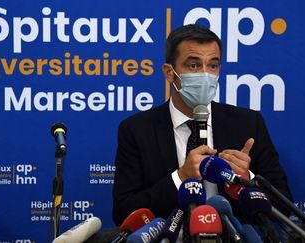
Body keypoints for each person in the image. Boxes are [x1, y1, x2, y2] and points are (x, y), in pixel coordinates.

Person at [112, 24, 292, 225]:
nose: (205, 75)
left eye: (212, 66)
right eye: (194, 65)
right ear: (169, 73)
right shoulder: (137, 130)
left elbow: (284, 206)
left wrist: (246, 177)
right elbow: (123, 212)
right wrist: (180, 177)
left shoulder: (248, 124)